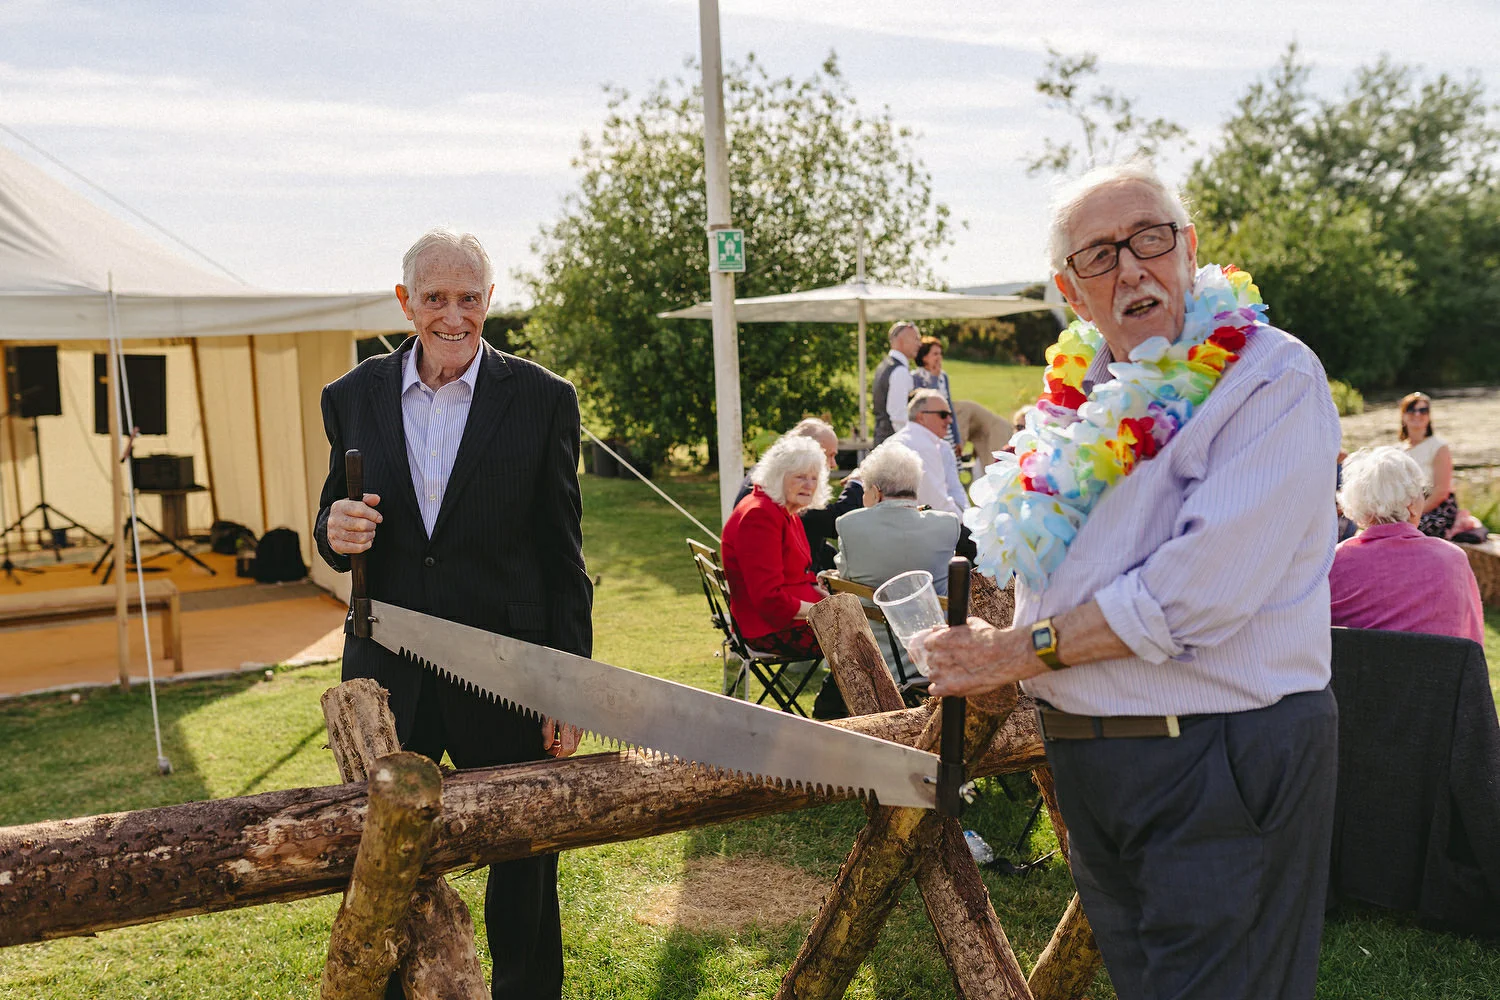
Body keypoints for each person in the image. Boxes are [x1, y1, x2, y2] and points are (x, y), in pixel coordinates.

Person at [916, 160, 1341, 1000]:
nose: (1132, 267)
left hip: (1218, 754)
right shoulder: (1078, 397)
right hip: (1091, 762)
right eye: (1100, 254)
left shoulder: (1269, 377)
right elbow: (1056, 564)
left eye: (1150, 237)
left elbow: (1196, 593)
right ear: (1070, 293)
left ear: (1188, 248)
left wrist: (1018, 652)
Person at [315, 228, 592, 1000]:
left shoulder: (544, 399)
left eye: (469, 298)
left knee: (526, 854)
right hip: (387, 671)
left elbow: (563, 554)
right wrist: (333, 531)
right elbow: (332, 521)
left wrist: (565, 683)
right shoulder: (351, 396)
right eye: (435, 298)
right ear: (405, 302)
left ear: (490, 300)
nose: (453, 315)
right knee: (386, 854)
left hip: (509, 664)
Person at [1330, 447, 1483, 643]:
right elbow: (1471, 647)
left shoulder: (1334, 562)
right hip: (1434, 673)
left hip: (1353, 673)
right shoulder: (1452, 560)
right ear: (1411, 505)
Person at [720, 435, 830, 659]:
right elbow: (768, 599)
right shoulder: (759, 514)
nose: (809, 485)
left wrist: (824, 596)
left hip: (786, 622)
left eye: (814, 478)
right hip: (768, 630)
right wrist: (823, 612)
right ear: (778, 476)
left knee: (865, 635)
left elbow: (798, 574)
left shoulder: (784, 510)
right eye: (800, 477)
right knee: (864, 641)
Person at [732, 418, 862, 572]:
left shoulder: (768, 474)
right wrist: (857, 483)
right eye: (829, 456)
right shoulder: (785, 487)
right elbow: (836, 523)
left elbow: (812, 530)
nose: (833, 464)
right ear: (807, 452)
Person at [835, 441, 961, 596]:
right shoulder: (948, 524)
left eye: (864, 490)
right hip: (936, 619)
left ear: (875, 492)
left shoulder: (849, 525)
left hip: (870, 620)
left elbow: (844, 575)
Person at [890, 388, 967, 515]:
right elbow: (936, 504)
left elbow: (955, 489)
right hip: (918, 525)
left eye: (950, 414)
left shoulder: (940, 446)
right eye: (943, 415)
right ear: (921, 417)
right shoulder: (922, 446)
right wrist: (967, 525)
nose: (949, 420)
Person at [1398, 392, 1458, 538]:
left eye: (1423, 410)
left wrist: (1414, 514)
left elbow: (1441, 491)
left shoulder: (1439, 446)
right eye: (1411, 410)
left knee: (1410, 532)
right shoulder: (1397, 450)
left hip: (1436, 507)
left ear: (1429, 416)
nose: (1417, 414)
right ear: (1403, 416)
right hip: (1407, 507)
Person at [912, 336, 963, 455]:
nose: (939, 357)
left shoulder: (943, 377)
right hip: (928, 434)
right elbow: (928, 402)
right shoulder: (916, 377)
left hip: (947, 432)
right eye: (935, 354)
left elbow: (949, 407)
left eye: (940, 354)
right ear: (924, 357)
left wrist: (957, 438)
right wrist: (933, 378)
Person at [872, 321, 919, 444]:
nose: (919, 344)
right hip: (894, 445)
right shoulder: (899, 371)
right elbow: (898, 416)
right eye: (915, 339)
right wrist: (911, 443)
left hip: (883, 440)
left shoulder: (884, 366)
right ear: (901, 341)